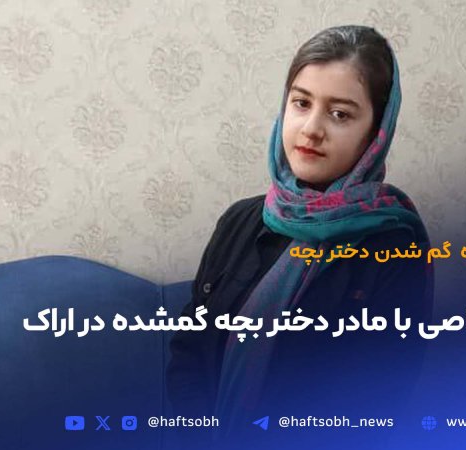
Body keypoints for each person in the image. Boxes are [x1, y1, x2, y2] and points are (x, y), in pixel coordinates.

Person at [166, 25, 435, 449]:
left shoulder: (395, 248)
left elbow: (370, 404)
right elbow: (189, 351)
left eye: (340, 114)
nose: (311, 128)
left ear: (375, 133)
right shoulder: (241, 220)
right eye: (301, 103)